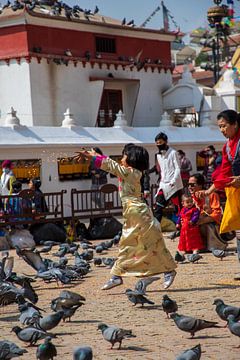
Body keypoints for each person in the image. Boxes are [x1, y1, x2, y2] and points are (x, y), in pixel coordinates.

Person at [74, 145, 177, 290]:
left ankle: (166, 271)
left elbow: (112, 166)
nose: (121, 159)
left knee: (143, 244)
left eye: (124, 156)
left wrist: (95, 157)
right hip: (134, 214)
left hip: (139, 214)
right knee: (133, 244)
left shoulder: (131, 173)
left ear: (132, 159)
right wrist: (95, 154)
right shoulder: (130, 172)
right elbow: (112, 166)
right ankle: (119, 276)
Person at [196, 110, 240, 280]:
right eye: (219, 127)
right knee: (239, 230)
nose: (222, 130)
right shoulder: (228, 146)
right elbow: (225, 174)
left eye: (224, 126)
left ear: (235, 124)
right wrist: (208, 191)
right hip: (236, 192)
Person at [188, 173, 226, 251]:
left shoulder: (212, 195)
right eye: (188, 184)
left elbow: (217, 214)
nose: (189, 187)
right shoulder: (189, 199)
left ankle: (212, 246)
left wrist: (202, 221)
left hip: (209, 223)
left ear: (200, 185)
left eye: (192, 185)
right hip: (195, 222)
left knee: (205, 226)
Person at [154, 132, 183, 223]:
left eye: (160, 142)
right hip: (163, 185)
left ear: (166, 142)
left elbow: (178, 168)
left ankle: (181, 228)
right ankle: (156, 229)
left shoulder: (173, 153)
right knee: (158, 207)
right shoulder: (158, 155)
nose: (159, 145)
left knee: (178, 208)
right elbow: (162, 170)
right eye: (157, 143)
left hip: (174, 185)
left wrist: (173, 180)